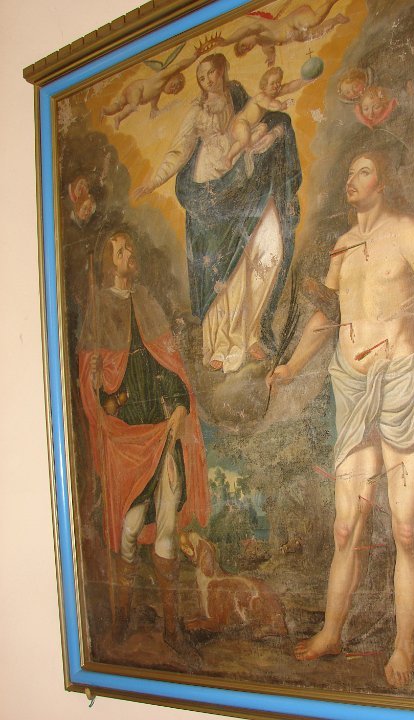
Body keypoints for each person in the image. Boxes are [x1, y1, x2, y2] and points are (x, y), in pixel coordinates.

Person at [268, 152, 414, 687]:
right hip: (351, 386)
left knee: (404, 528)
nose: (352, 180)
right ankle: (332, 632)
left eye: (363, 171)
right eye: (350, 172)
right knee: (344, 526)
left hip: (401, 383)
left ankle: (403, 644)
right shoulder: (342, 246)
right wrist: (291, 367)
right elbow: (328, 316)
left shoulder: (406, 231)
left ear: (383, 180)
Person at [78, 229, 209, 666]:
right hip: (127, 441)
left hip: (162, 433)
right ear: (109, 262)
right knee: (130, 530)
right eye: (120, 250)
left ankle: (172, 628)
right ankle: (122, 619)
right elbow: (96, 390)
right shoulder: (99, 310)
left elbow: (169, 368)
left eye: (130, 247)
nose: (129, 253)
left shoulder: (149, 304)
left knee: (168, 526)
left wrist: (179, 405)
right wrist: (98, 386)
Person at [134, 54, 302, 373]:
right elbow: (179, 150)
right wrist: (154, 181)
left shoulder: (238, 96)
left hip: (243, 180)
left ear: (222, 70)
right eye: (201, 77)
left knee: (268, 250)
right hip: (209, 194)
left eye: (211, 73)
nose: (207, 80)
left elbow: (267, 115)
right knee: (224, 266)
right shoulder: (197, 111)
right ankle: (223, 342)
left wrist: (271, 133)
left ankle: (251, 331)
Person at [221, 66, 311, 174]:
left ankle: (248, 148)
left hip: (252, 126)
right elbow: (270, 105)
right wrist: (282, 105)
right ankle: (229, 157)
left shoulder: (273, 92)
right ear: (265, 85)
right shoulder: (261, 96)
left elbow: (289, 87)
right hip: (241, 123)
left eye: (278, 82)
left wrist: (304, 81)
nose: (276, 86)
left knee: (263, 129)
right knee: (244, 139)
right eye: (272, 83)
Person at [101, 43, 200, 129]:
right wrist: (194, 58)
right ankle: (118, 118)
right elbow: (179, 66)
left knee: (119, 105)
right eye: (175, 85)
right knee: (133, 105)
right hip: (137, 89)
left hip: (133, 90)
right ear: (172, 75)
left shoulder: (158, 90)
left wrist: (154, 108)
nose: (173, 89)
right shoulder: (162, 76)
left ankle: (105, 110)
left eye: (175, 91)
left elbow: (154, 99)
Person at [219, 1, 349, 66]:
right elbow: (270, 51)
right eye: (246, 51)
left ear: (242, 38)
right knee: (317, 33)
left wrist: (227, 41)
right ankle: (337, 19)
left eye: (243, 45)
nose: (247, 48)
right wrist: (271, 58)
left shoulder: (259, 28)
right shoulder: (264, 44)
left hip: (295, 21)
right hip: (297, 34)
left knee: (315, 20)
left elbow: (246, 30)